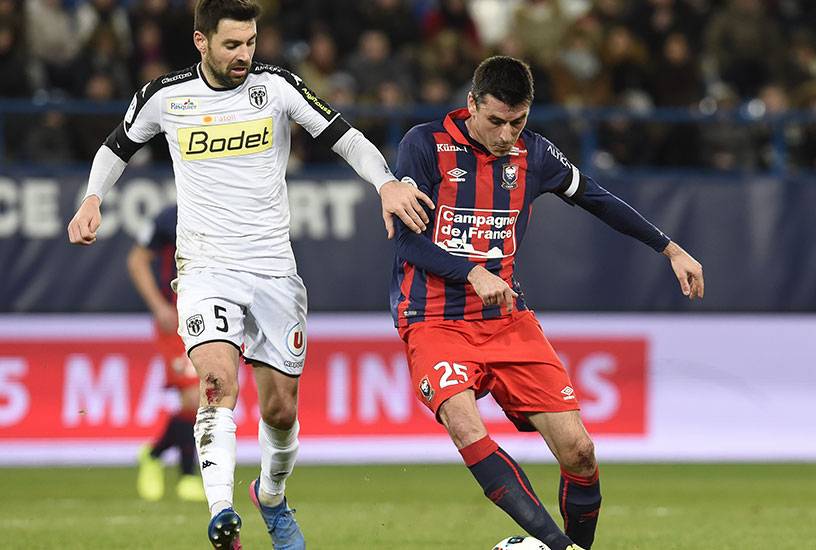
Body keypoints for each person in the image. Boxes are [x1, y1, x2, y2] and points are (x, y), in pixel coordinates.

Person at [67, 1, 434, 548]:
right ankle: (221, 513)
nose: (244, 55)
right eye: (232, 44)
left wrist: (385, 182)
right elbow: (115, 147)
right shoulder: (166, 97)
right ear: (201, 41)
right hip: (205, 266)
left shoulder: (278, 86)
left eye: (251, 42)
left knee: (282, 408)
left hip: (272, 269)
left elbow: (345, 136)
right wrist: (92, 198)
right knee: (216, 384)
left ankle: (272, 495)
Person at [390, 56, 704, 550]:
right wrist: (472, 271)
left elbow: (596, 198)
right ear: (471, 103)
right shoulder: (423, 145)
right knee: (465, 424)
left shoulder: (534, 154)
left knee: (579, 451)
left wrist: (670, 248)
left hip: (506, 321)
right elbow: (407, 243)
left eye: (518, 121)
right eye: (495, 121)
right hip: (434, 321)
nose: (506, 134)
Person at [127, 204, 205, 503]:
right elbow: (136, 260)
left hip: (211, 314)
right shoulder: (169, 216)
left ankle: (154, 453)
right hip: (175, 317)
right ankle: (187, 476)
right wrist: (158, 306)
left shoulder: (226, 209)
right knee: (192, 396)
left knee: (207, 394)